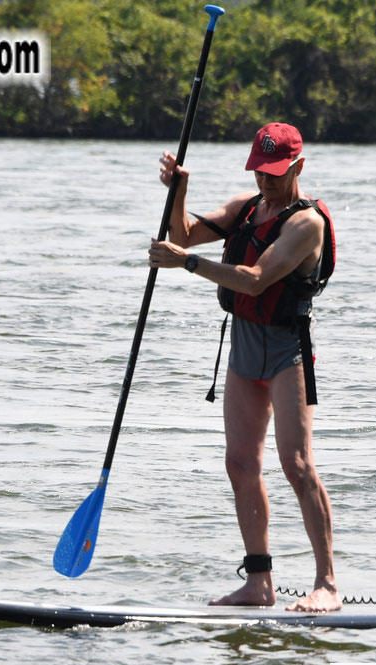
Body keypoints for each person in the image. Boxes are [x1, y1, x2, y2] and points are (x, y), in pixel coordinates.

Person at [147, 122, 340, 613]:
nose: (266, 181)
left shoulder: (306, 224)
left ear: (297, 167)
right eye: (259, 171)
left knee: (296, 466)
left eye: (276, 173)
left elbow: (253, 281)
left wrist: (186, 263)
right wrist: (179, 191)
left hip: (286, 350)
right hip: (243, 346)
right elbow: (183, 233)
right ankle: (259, 582)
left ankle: (327, 585)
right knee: (239, 464)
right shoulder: (247, 207)